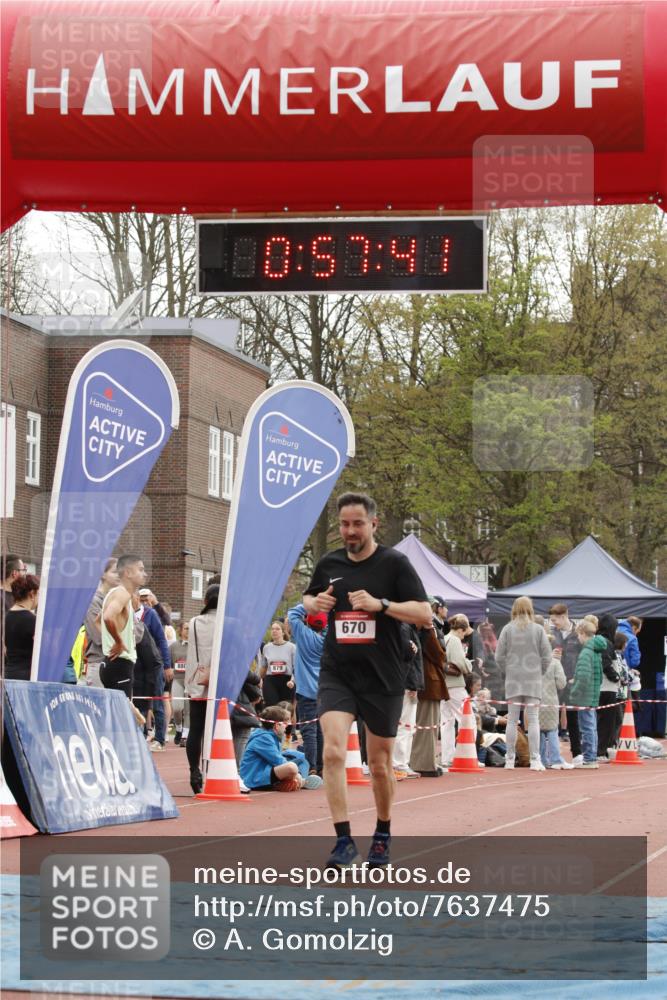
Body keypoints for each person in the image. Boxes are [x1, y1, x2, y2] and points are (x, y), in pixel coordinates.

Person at [303, 491, 431, 869]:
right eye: (344, 524)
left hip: (383, 676)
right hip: (338, 672)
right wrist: (315, 604)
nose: (349, 531)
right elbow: (309, 599)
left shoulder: (395, 564)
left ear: (373, 524)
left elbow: (424, 613)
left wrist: (382, 606)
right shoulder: (329, 563)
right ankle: (343, 842)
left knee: (379, 764)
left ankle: (382, 834)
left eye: (357, 523)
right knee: (333, 751)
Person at [496, 595, 553, 771]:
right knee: (533, 720)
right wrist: (539, 671)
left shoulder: (507, 629)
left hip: (513, 679)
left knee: (512, 720)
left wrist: (508, 671)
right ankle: (535, 759)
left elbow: (498, 656)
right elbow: (547, 656)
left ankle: (510, 759)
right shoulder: (538, 630)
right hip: (533, 679)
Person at [184, 584, 218, 795]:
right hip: (219, 680)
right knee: (218, 731)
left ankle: (194, 771)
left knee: (195, 730)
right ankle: (214, 770)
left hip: (197, 680)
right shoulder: (227, 622)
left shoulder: (194, 622)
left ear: (205, 601)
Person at [100, 554, 147, 698]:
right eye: (140, 569)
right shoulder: (122, 594)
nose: (144, 574)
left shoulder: (114, 593)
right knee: (121, 715)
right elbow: (108, 617)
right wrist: (119, 642)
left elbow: (98, 620)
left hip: (112, 663)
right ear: (128, 572)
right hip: (120, 664)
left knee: (118, 714)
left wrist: (110, 640)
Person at [287, 603, 327, 775]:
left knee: (309, 730)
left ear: (307, 621)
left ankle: (311, 767)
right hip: (324, 690)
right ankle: (320, 767)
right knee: (320, 730)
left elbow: (292, 614)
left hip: (306, 691)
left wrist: (313, 603)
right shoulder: (328, 637)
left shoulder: (303, 635)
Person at [239, 706, 315, 791]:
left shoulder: (271, 736)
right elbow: (278, 761)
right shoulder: (263, 737)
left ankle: (293, 783)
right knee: (291, 767)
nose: (286, 726)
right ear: (277, 725)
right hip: (254, 779)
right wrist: (297, 774)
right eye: (285, 724)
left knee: (301, 758)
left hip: (265, 772)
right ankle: (300, 782)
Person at [409, 623, 448, 776]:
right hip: (428, 682)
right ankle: (423, 763)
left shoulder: (415, 629)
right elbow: (439, 655)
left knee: (428, 725)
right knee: (427, 724)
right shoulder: (425, 630)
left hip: (425, 682)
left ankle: (426, 761)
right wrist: (430, 629)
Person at [570, 620, 606, 768]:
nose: (578, 638)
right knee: (592, 727)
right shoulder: (596, 651)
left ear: (583, 634)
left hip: (584, 696)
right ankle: (592, 757)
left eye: (578, 635)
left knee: (586, 728)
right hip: (593, 694)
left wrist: (574, 691)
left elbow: (584, 677)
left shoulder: (586, 652)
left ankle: (589, 758)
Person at [548, 603, 583, 756]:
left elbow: (583, 658)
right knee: (551, 719)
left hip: (572, 682)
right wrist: (550, 656)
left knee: (573, 719)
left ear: (564, 617)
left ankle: (577, 754)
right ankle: (551, 755)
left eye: (555, 620)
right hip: (554, 681)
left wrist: (577, 677)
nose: (553, 623)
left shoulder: (578, 633)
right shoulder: (551, 633)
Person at [440, 614, 473, 768]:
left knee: (446, 722)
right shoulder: (454, 640)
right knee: (467, 719)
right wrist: (469, 665)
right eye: (464, 633)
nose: (464, 636)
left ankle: (448, 757)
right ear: (461, 630)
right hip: (455, 684)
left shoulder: (445, 638)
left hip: (444, 684)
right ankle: (467, 755)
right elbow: (460, 662)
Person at [82, 558, 120, 688]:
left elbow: (138, 632)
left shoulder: (123, 601)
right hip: (99, 663)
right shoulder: (93, 602)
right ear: (103, 574)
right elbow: (99, 636)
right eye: (115, 572)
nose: (120, 575)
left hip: (121, 664)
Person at [393, 624, 424, 778]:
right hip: (407, 685)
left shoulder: (409, 629)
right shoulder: (406, 629)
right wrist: (413, 684)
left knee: (407, 727)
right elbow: (409, 659)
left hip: (407, 684)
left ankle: (401, 763)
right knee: (405, 726)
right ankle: (399, 764)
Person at [539, 648, 574, 769]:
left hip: (534, 699)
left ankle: (542, 759)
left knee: (539, 729)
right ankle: (556, 759)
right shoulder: (554, 662)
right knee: (552, 728)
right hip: (550, 699)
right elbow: (561, 684)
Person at [4, 573, 40, 679]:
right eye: (39, 593)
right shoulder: (33, 620)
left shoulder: (7, 616)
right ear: (32, 594)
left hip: (9, 674)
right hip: (27, 676)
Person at [596, 613, 620, 761]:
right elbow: (605, 662)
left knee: (609, 720)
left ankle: (603, 748)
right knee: (607, 721)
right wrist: (615, 676)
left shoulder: (599, 640)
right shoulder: (605, 642)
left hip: (603, 687)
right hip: (606, 687)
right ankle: (600, 750)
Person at [260, 622, 297, 708]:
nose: (274, 631)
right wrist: (260, 679)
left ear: (283, 632)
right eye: (272, 629)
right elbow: (263, 667)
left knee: (286, 710)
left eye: (277, 629)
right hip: (271, 681)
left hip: (287, 681)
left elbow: (296, 668)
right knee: (272, 709)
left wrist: (292, 681)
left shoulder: (292, 647)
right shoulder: (266, 647)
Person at [170, 621, 190, 746]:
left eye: (190, 629)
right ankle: (178, 729)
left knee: (188, 710)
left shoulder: (195, 646)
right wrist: (169, 668)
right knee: (177, 708)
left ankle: (185, 736)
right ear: (181, 631)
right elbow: (167, 661)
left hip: (190, 681)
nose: (189, 631)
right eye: (186, 628)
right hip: (177, 679)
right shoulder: (173, 646)